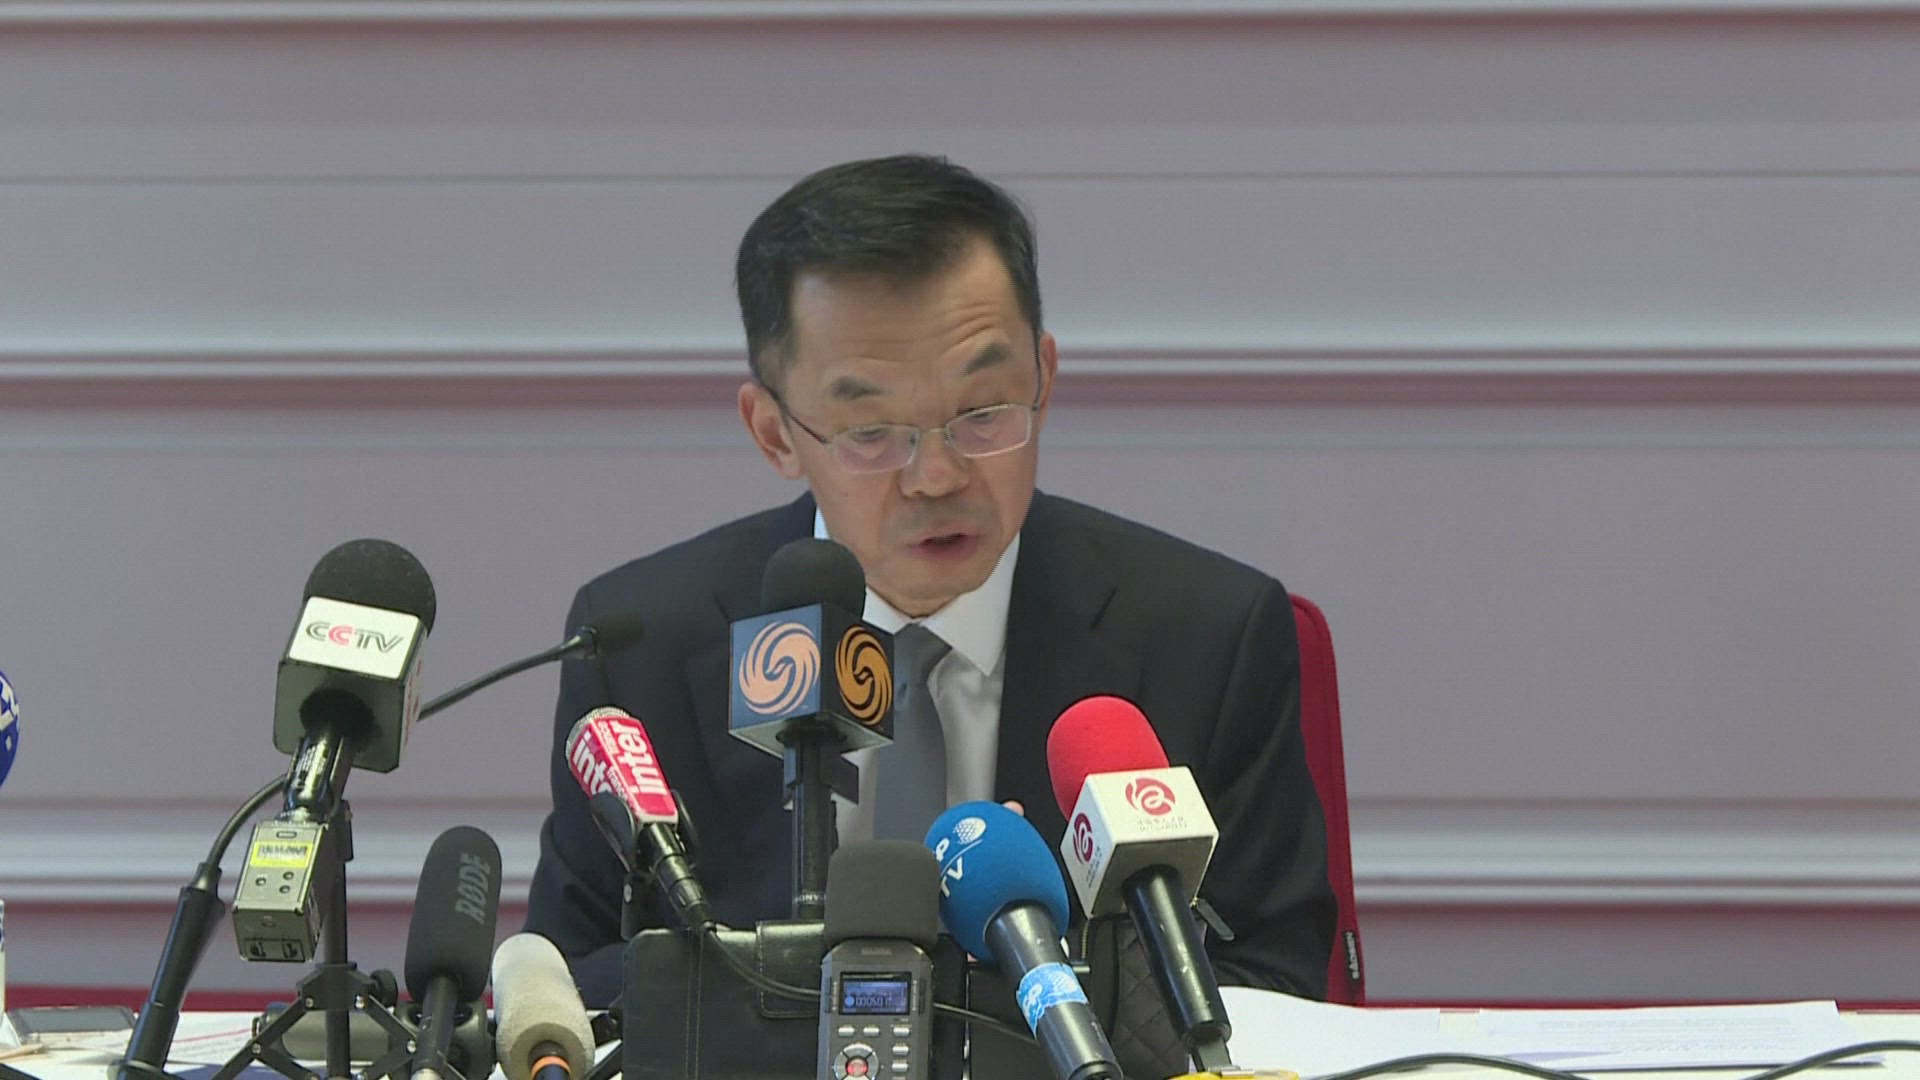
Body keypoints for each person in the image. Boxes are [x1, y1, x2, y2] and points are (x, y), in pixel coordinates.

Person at [523, 154, 1334, 1007]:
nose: (937, 477)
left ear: (1045, 379)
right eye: (872, 431)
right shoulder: (641, 650)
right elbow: (572, 983)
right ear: (775, 433)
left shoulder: (1207, 639)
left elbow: (1270, 980)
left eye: (983, 413)